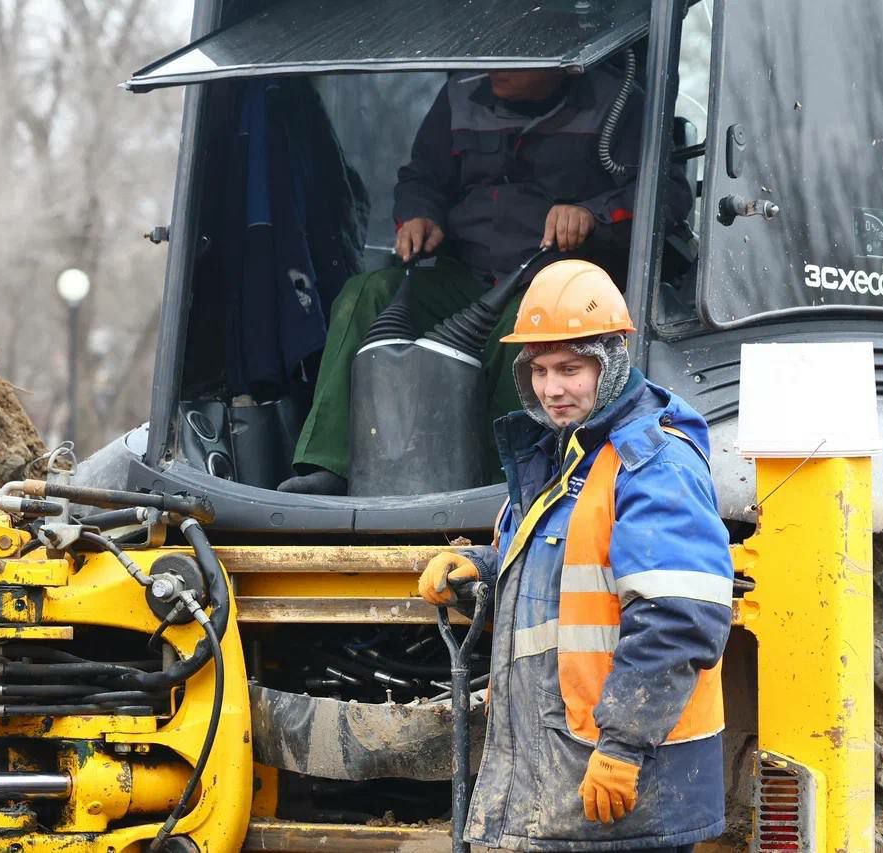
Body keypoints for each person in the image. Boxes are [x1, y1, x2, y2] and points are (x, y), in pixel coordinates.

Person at [417, 260, 733, 851]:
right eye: (538, 370)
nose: (552, 389)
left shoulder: (653, 462)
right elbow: (561, 582)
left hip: (628, 783)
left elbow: (679, 618)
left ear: (610, 362)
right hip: (567, 770)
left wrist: (622, 748)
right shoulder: (562, 460)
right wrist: (482, 573)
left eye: (570, 368)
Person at [278, 63, 693, 495]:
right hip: (466, 273)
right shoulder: (460, 96)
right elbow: (422, 177)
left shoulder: (617, 99)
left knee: (531, 323)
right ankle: (332, 463)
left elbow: (670, 195)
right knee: (365, 293)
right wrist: (420, 216)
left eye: (512, 56)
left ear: (559, 57)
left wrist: (592, 214)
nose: (492, 66)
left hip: (553, 282)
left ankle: (505, 484)